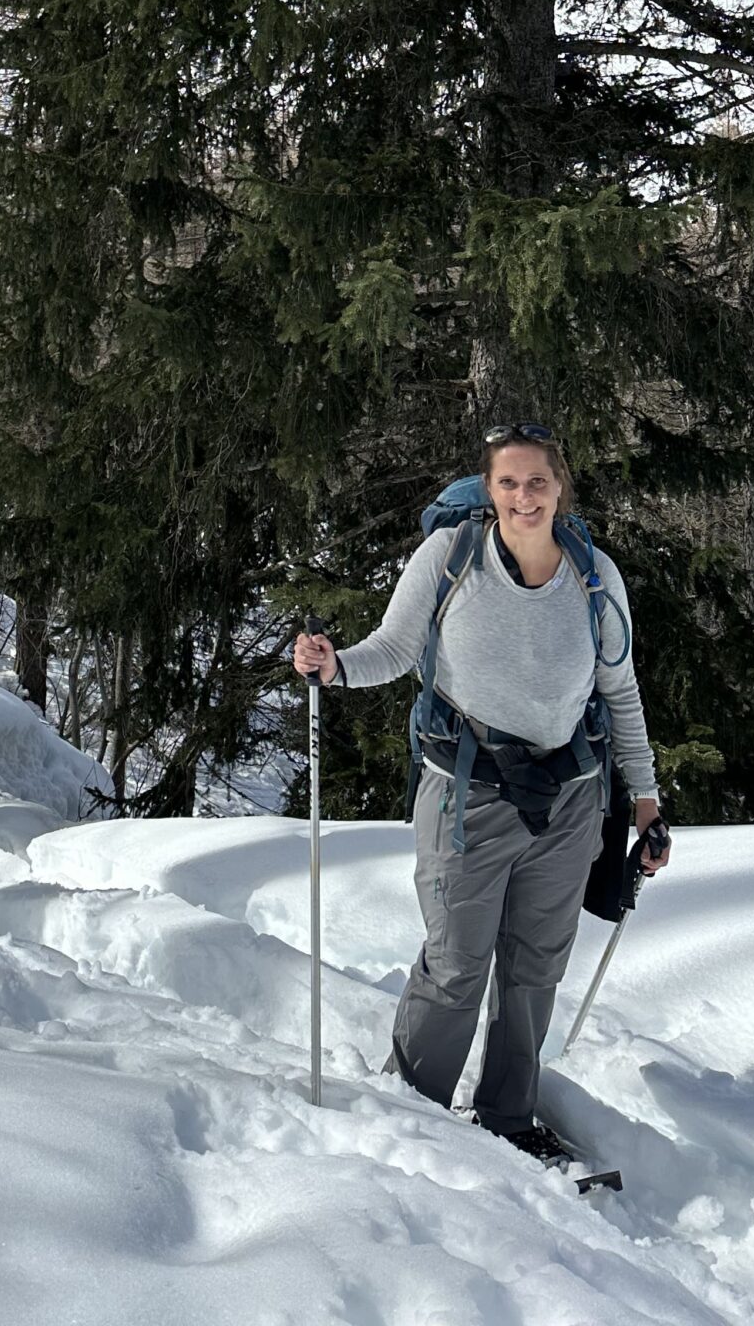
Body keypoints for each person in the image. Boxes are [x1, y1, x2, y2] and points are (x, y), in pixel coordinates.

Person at [292, 424, 671, 1160]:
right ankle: (409, 1110)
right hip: (468, 794)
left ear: (560, 488)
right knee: (458, 961)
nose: (523, 497)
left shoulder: (596, 578)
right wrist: (334, 666)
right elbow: (396, 650)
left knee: (536, 965)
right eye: (509, 483)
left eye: (537, 483)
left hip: (570, 801)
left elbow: (619, 692)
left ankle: (508, 1118)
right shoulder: (452, 557)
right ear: (490, 490)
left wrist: (648, 802)